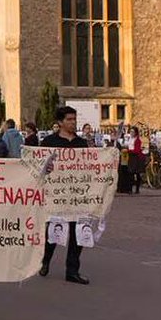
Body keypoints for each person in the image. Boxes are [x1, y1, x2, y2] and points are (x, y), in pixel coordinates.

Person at [39, 106, 90, 285]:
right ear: (60, 122)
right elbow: (38, 164)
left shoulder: (81, 143)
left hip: (77, 194)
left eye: (74, 119)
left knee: (78, 233)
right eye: (69, 119)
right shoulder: (49, 142)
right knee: (54, 230)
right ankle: (45, 260)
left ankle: (72, 271)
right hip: (57, 194)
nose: (73, 122)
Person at [128, 129, 146, 194]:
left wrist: (129, 151)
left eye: (132, 132)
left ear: (135, 133)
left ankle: (137, 189)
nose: (131, 133)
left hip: (136, 157)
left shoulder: (137, 140)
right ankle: (130, 189)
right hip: (131, 157)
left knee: (136, 173)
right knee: (131, 173)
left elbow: (137, 150)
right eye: (130, 131)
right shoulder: (130, 139)